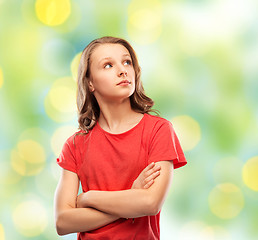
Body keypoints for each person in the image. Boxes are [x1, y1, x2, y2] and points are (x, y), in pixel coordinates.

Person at [53, 36, 187, 240]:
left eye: (127, 62)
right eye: (108, 65)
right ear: (90, 83)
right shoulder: (74, 145)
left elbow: (150, 204)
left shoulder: (158, 130)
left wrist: (89, 198)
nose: (123, 70)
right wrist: (131, 198)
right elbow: (63, 222)